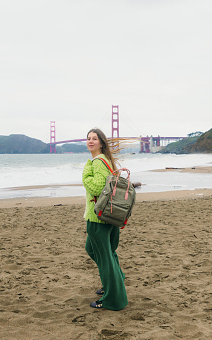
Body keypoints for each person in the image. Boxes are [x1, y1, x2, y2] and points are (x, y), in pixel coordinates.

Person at [82, 128, 128, 310]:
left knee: (105, 257)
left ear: (101, 143)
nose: (90, 141)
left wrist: (85, 174)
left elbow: (96, 188)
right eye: (88, 138)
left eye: (94, 139)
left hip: (98, 218)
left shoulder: (98, 162)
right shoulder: (105, 161)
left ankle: (113, 299)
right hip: (108, 216)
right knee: (97, 251)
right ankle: (116, 280)